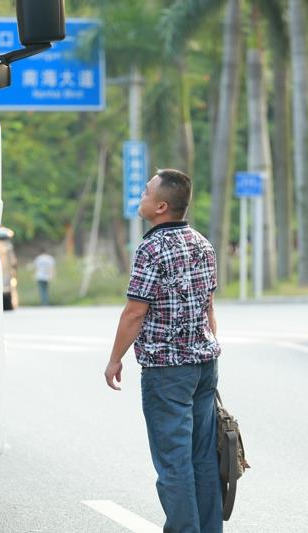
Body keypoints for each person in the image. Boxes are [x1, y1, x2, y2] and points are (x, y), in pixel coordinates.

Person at [104, 169, 222, 533]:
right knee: (203, 457)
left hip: (167, 371)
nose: (140, 197)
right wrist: (204, 351)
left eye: (145, 192)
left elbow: (135, 312)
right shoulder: (203, 243)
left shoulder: (151, 248)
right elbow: (209, 309)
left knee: (173, 462)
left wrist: (114, 359)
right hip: (204, 364)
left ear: (161, 206)